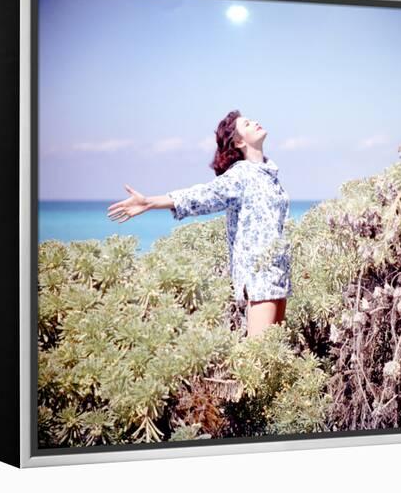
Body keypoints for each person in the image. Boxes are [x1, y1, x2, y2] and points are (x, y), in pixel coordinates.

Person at [106, 109, 292, 337]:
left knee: (278, 351)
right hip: (258, 275)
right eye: (247, 124)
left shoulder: (268, 174)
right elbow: (202, 195)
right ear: (239, 141)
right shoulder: (241, 175)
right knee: (261, 354)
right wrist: (149, 203)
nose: (255, 122)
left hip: (278, 271)